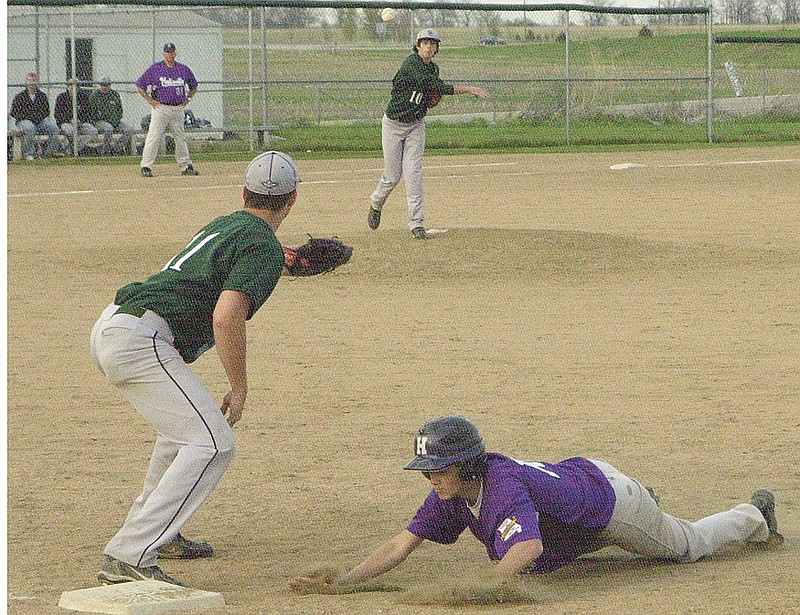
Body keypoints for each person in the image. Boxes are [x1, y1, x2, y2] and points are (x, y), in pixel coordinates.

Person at [90, 151, 301, 587]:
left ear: (244, 194)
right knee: (213, 443)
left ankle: (160, 534)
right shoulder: (261, 244)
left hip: (117, 324)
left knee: (180, 433)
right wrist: (238, 388)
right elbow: (226, 317)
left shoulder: (227, 223)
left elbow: (221, 265)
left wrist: (287, 260)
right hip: (141, 341)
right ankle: (131, 553)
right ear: (293, 199)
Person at [288, 416, 782, 591]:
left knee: (687, 545)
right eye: (428, 470)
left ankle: (756, 514)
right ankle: (647, 502)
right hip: (581, 491)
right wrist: (345, 583)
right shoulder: (453, 490)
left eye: (438, 468)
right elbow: (404, 542)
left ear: (464, 464)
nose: (431, 478)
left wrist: (477, 590)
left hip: (612, 502)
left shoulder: (498, 486)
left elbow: (522, 551)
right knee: (541, 558)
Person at [368, 29, 489, 239]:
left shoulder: (433, 68)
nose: (429, 47)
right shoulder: (411, 63)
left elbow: (432, 91)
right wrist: (468, 89)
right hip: (394, 126)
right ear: (417, 46)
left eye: (433, 44)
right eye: (425, 43)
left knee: (414, 173)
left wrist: (430, 99)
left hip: (416, 125)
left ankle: (416, 224)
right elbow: (433, 86)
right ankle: (376, 203)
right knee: (392, 176)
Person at [135, 42, 199, 177]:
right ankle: (146, 166)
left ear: (175, 53)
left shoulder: (183, 69)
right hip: (161, 108)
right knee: (154, 136)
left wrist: (187, 100)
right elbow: (140, 85)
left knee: (180, 137)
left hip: (178, 109)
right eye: (167, 52)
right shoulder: (155, 69)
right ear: (164, 54)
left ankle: (186, 165)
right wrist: (150, 100)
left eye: (172, 52)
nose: (170, 55)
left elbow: (193, 86)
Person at [9, 73, 63, 160]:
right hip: (23, 121)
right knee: (30, 127)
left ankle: (49, 153)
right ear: (26, 82)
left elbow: (46, 111)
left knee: (54, 128)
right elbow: (14, 112)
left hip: (39, 121)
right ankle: (29, 154)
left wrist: (36, 118)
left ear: (37, 82)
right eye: (29, 80)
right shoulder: (20, 96)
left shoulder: (42, 96)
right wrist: (29, 117)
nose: (31, 82)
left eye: (33, 80)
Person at [88, 76, 134, 155]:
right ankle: (106, 151)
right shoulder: (95, 95)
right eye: (102, 85)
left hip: (115, 121)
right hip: (99, 122)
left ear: (110, 85)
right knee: (108, 128)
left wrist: (116, 120)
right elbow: (91, 112)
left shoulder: (114, 94)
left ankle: (116, 149)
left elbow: (120, 110)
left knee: (129, 129)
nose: (104, 87)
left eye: (106, 85)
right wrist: (101, 119)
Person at [55, 82, 99, 154]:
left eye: (76, 87)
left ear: (78, 88)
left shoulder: (83, 97)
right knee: (71, 131)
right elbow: (57, 114)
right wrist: (69, 120)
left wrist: (80, 121)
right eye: (71, 87)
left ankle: (72, 148)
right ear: (68, 87)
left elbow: (88, 113)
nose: (73, 89)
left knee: (93, 131)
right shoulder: (61, 97)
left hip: (80, 123)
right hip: (66, 123)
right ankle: (74, 149)